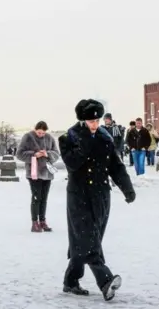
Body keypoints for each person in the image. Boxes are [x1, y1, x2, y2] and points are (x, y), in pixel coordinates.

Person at [58, 99, 136, 301]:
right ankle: (105, 280)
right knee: (88, 238)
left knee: (88, 239)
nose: (95, 124)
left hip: (101, 195)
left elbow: (115, 166)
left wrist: (127, 188)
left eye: (97, 120)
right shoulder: (69, 137)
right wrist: (86, 141)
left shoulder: (105, 137)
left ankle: (71, 281)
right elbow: (72, 163)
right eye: (91, 121)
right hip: (79, 195)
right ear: (83, 120)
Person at [16, 121, 60, 232]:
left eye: (43, 133)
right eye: (39, 132)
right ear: (35, 129)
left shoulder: (50, 138)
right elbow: (19, 154)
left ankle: (43, 221)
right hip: (34, 172)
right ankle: (34, 223)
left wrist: (47, 154)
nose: (41, 135)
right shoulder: (28, 137)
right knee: (36, 197)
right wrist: (33, 154)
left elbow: (56, 153)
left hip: (47, 173)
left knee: (44, 198)